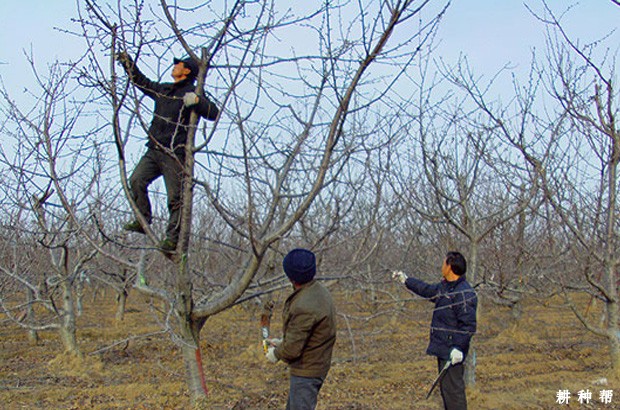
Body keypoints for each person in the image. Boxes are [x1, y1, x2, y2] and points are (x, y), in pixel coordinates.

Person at [116, 52, 219, 252]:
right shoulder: (165, 90)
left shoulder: (192, 91)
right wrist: (128, 64)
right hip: (154, 149)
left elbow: (213, 113)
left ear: (187, 70)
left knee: (175, 199)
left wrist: (198, 101)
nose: (174, 67)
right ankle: (142, 219)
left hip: (175, 153)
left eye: (178, 64)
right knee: (136, 180)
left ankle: (172, 240)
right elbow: (142, 82)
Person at [392, 251, 477, 410]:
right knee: (447, 392)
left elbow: (468, 325)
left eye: (443, 263)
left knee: (454, 394)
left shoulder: (464, 293)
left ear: (450, 266)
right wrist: (407, 280)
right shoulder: (446, 287)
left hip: (453, 352)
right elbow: (426, 290)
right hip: (444, 348)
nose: (441, 266)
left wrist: (458, 348)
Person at [265, 248, 337, 410]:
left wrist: (276, 354)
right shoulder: (317, 290)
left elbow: (292, 350)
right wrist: (283, 342)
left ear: (291, 277)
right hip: (316, 362)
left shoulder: (304, 305)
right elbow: (305, 333)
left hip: (308, 370)